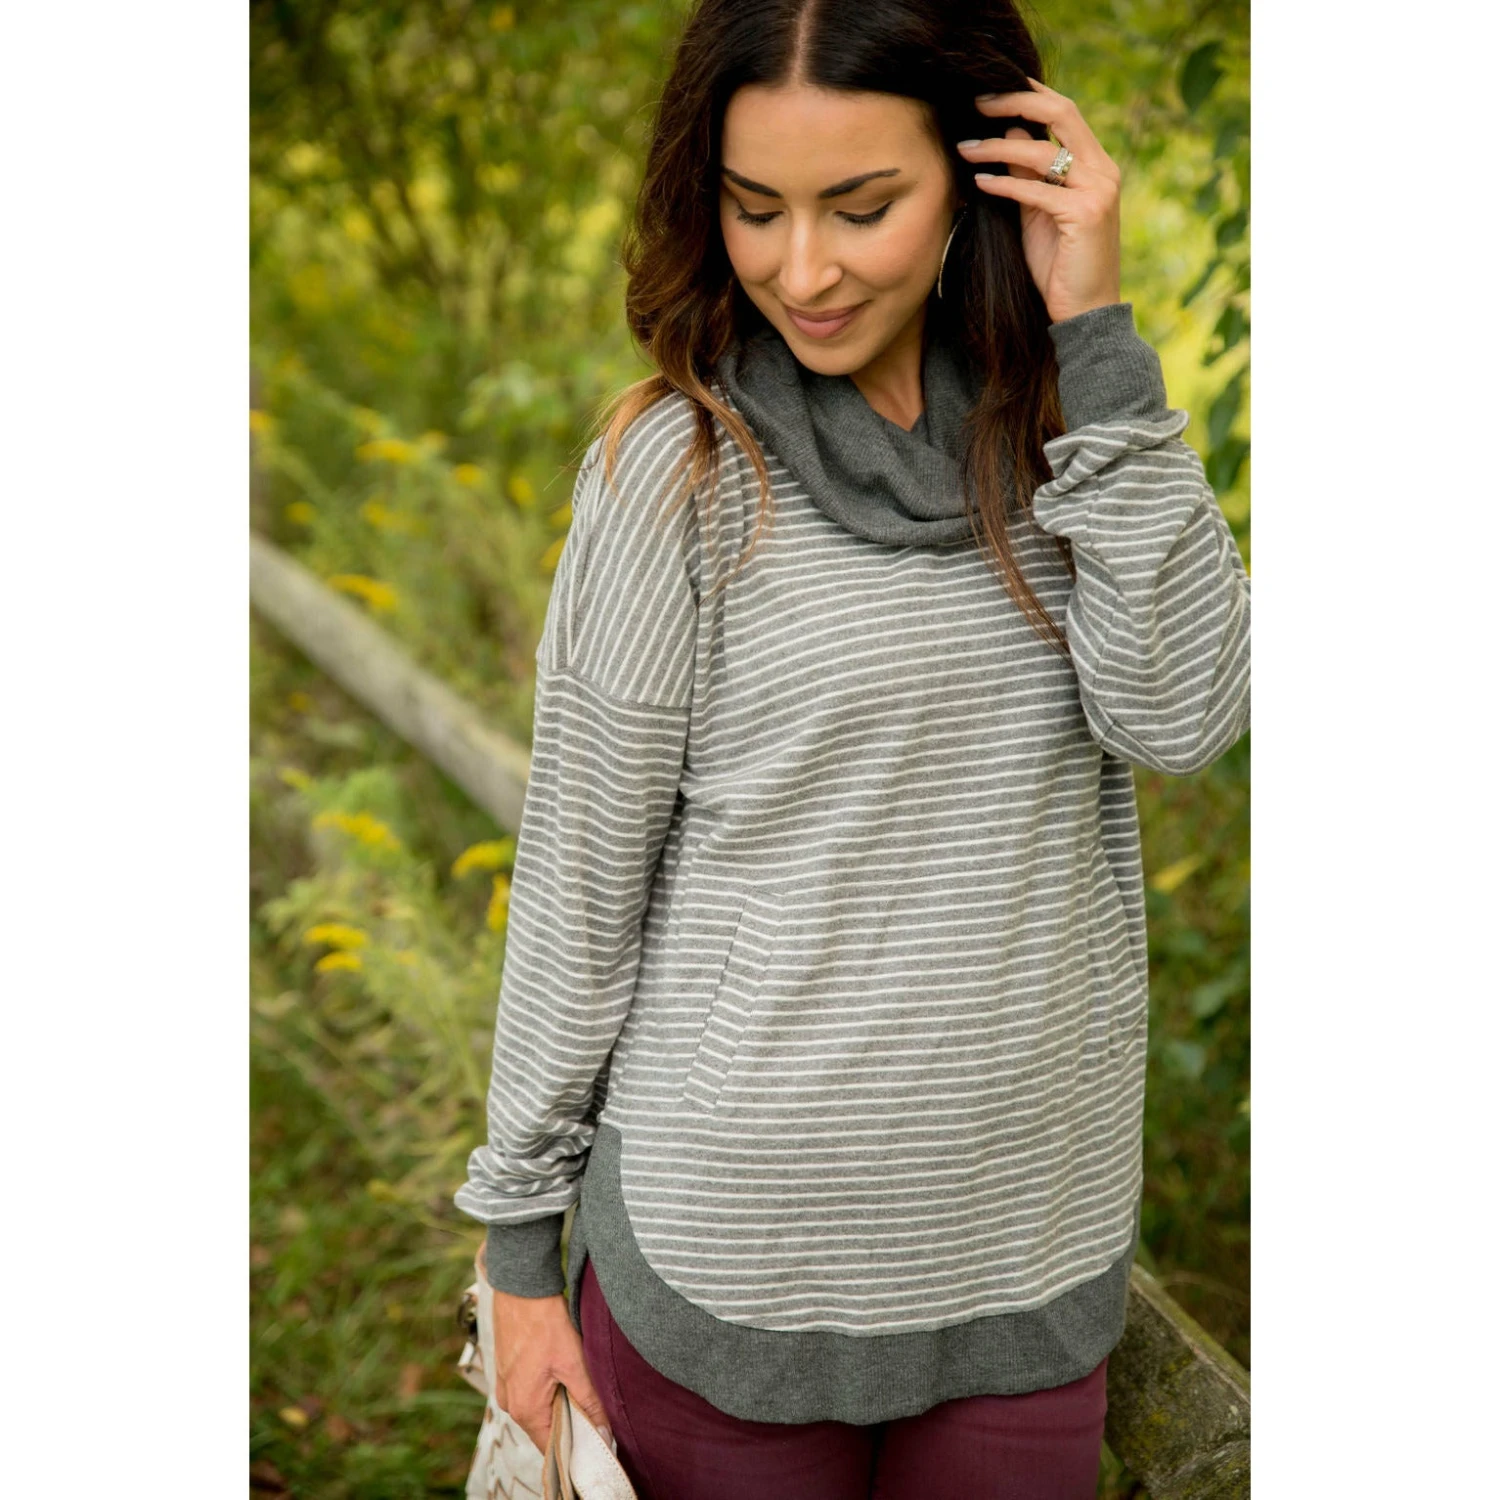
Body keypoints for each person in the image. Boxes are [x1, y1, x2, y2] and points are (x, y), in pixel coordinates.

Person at [454, 1, 1250, 1496]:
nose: (802, 270)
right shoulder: (676, 471)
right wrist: (517, 1249)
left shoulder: (1074, 440)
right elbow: (577, 882)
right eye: (755, 209)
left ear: (978, 175)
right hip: (725, 1268)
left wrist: (1098, 337)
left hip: (1027, 1251)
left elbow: (1187, 715)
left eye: (861, 206)